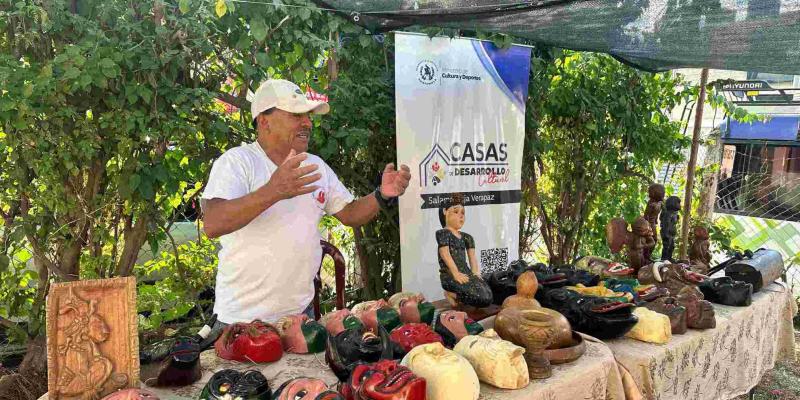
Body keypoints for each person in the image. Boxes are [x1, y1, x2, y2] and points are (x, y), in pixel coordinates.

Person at [201, 79, 411, 328]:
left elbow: (350, 213)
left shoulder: (315, 165)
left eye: (308, 116)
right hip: (241, 322)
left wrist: (381, 194)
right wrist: (273, 191)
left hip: (300, 317)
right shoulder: (237, 162)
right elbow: (213, 224)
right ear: (264, 121)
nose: (308, 123)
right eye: (296, 115)